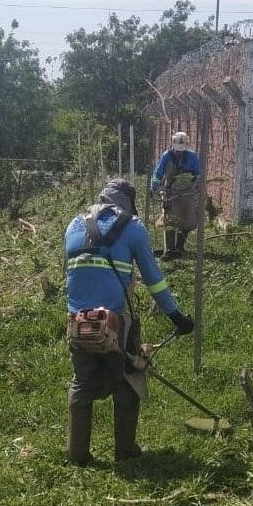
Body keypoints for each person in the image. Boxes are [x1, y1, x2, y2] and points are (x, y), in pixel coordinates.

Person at [64, 178, 195, 465]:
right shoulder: (133, 227)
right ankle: (125, 452)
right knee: (127, 381)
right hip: (115, 322)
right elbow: (153, 279)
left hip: (76, 321)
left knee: (82, 384)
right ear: (127, 203)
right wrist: (176, 316)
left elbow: (75, 278)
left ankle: (77, 455)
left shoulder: (73, 226)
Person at [150, 131, 201, 260]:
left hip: (187, 192)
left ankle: (179, 247)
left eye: (182, 150)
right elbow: (158, 173)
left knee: (187, 219)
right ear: (172, 144)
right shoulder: (167, 156)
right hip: (170, 190)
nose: (179, 152)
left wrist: (198, 184)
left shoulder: (193, 157)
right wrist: (153, 187)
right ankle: (169, 250)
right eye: (177, 150)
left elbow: (198, 174)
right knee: (170, 218)